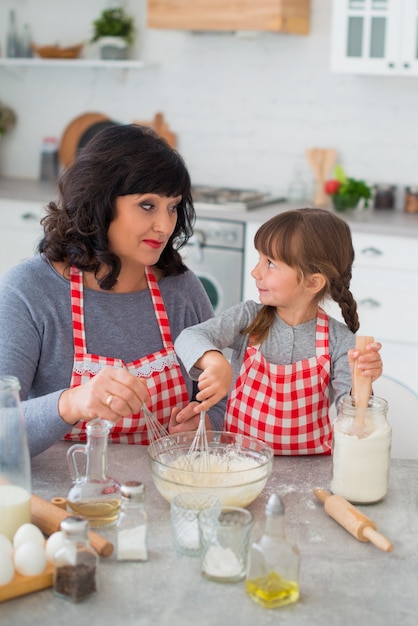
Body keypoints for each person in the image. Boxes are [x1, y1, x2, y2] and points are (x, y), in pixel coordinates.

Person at [0, 124, 225, 457]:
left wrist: (205, 424)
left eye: (173, 206)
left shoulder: (181, 289)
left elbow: (222, 401)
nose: (165, 225)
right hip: (65, 500)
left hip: (165, 495)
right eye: (147, 205)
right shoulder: (30, 291)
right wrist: (72, 402)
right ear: (100, 203)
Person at [174, 208, 383, 455]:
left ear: (313, 282)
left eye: (270, 263)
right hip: (240, 463)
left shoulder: (338, 341)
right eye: (260, 259)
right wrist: (214, 361)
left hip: (312, 469)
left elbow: (353, 415)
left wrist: (363, 379)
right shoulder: (247, 318)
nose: (256, 272)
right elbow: (188, 337)